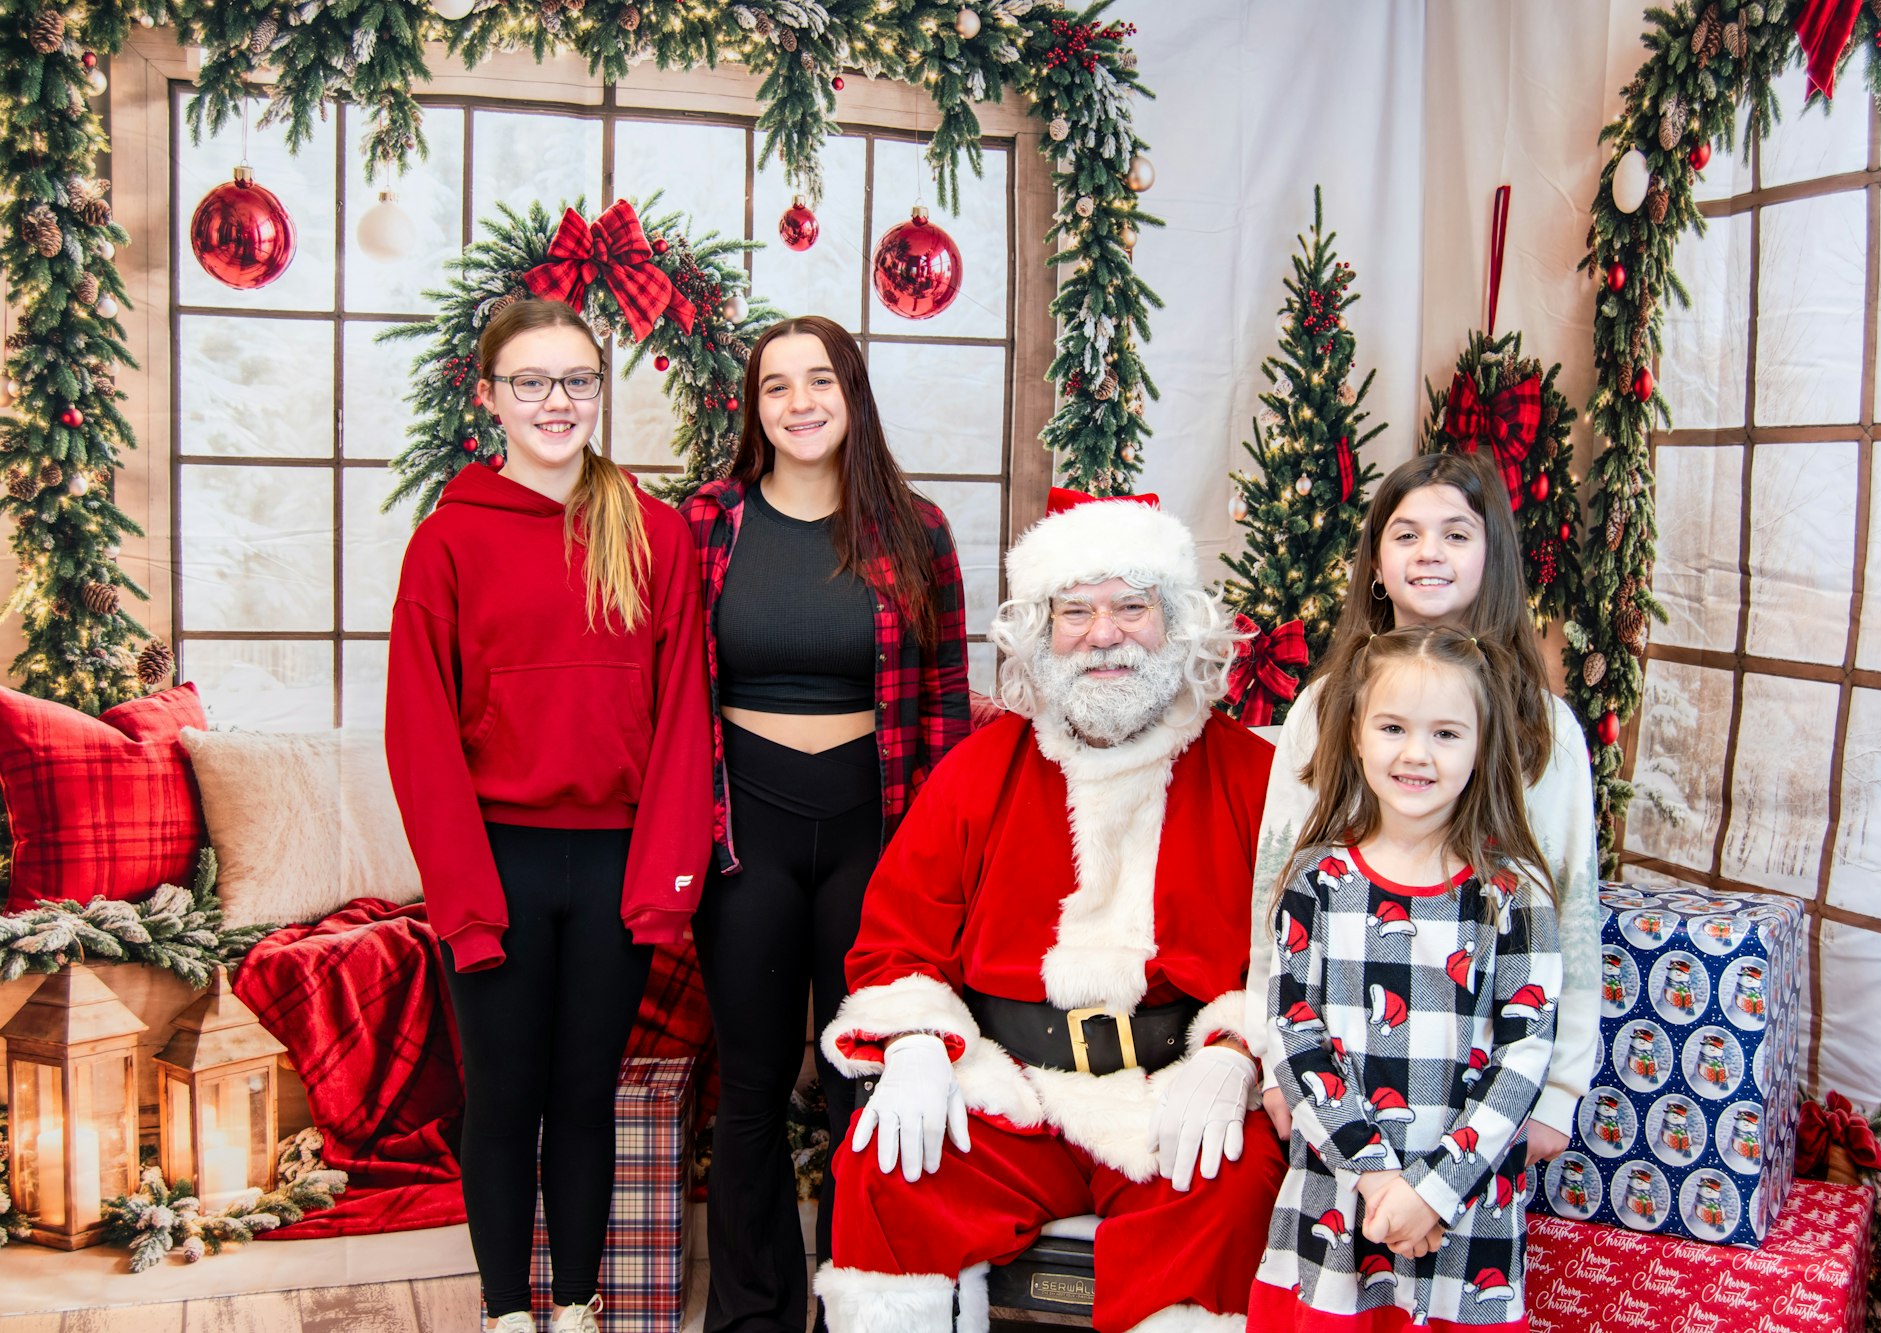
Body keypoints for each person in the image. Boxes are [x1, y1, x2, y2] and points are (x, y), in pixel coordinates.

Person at [814, 491, 1286, 1333]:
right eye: (1077, 611)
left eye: (1131, 606)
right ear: (1041, 629)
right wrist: (916, 1041)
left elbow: (1297, 954)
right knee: (884, 1170)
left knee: (1238, 1183)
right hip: (1011, 1092)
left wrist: (1235, 1052)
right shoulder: (977, 771)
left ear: (1176, 622)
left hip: (1173, 1092)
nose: (1104, 635)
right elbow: (899, 938)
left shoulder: (1254, 777)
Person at [385, 298, 713, 1333]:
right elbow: (419, 737)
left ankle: (574, 1305)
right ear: (489, 396)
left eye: (576, 379)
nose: (555, 401)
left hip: (614, 863)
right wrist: (464, 899)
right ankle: (503, 1312)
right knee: (502, 1098)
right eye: (530, 382)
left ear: (599, 390)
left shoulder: (653, 533)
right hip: (498, 860)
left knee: (584, 1095)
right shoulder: (446, 541)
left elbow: (682, 719)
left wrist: (663, 884)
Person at [680, 315, 971, 1333]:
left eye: (820, 382)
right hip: (743, 829)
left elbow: (945, 705)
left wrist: (932, 860)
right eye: (776, 385)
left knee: (865, 1078)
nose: (799, 402)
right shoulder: (705, 523)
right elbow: (668, 687)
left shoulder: (916, 530)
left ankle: (865, 1309)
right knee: (753, 1084)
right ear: (753, 407)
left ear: (852, 396)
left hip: (872, 828)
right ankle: (750, 1318)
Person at [1249, 453, 1597, 1166]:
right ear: (1377, 564)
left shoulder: (1544, 724)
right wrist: (1272, 1056)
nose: (1429, 552)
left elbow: (1571, 910)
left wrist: (1558, 1089)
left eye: (1456, 534)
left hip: (1482, 1085)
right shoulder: (1322, 709)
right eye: (1405, 534)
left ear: (1490, 560)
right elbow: (1275, 893)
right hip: (1340, 1079)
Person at [1252, 626, 1561, 1332]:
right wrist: (1377, 1177)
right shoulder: (1317, 882)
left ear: (1482, 746)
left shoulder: (1513, 895)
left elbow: (1524, 1057)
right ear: (1356, 736)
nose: (1416, 753)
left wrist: (1431, 1192)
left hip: (1465, 1219)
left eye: (1446, 733)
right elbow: (1295, 1039)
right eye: (1393, 727)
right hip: (1339, 1207)